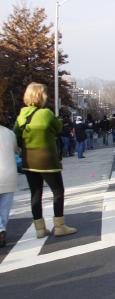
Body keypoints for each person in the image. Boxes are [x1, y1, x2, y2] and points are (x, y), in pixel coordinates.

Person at [14, 82, 77, 238]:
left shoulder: (21, 115)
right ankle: (59, 226)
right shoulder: (46, 114)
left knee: (35, 193)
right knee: (57, 191)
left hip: (29, 160)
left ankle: (40, 229)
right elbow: (59, 128)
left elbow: (16, 136)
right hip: (47, 159)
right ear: (39, 96)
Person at [0, 115, 18, 247]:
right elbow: (15, 150)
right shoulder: (9, 133)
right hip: (9, 174)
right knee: (5, 207)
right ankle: (1, 229)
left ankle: (1, 229)